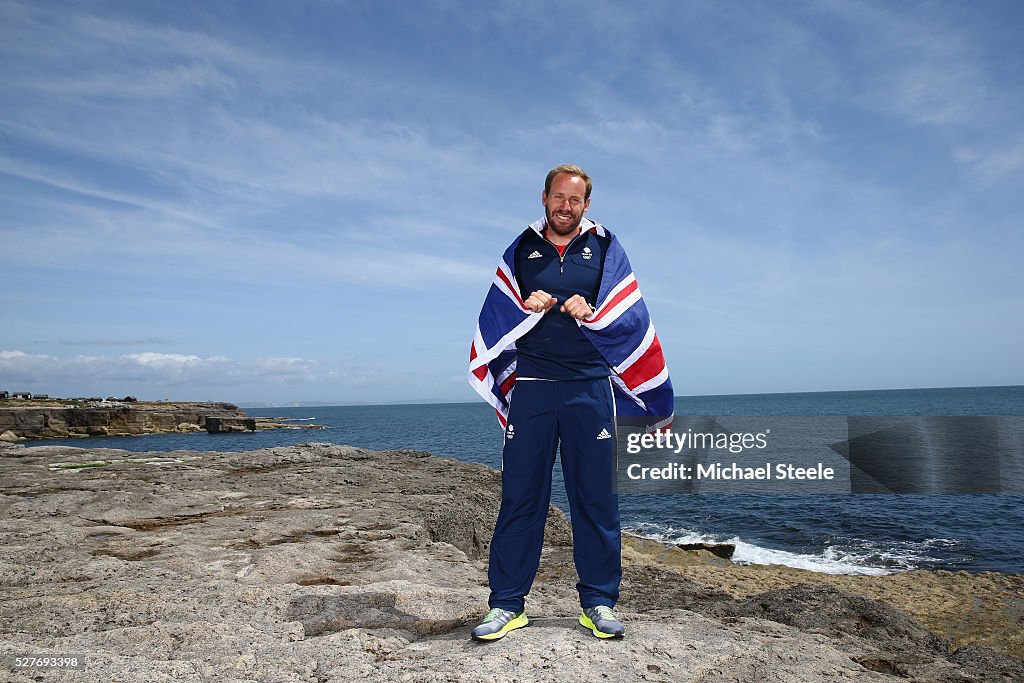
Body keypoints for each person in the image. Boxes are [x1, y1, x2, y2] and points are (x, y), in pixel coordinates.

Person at [468, 163, 674, 641]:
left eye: (574, 200)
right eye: (558, 197)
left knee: (596, 501)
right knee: (521, 498)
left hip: (589, 387)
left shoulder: (604, 248)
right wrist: (526, 306)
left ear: (586, 205)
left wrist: (592, 311)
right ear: (544, 198)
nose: (565, 206)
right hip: (534, 387)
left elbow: (631, 317)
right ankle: (506, 606)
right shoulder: (521, 250)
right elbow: (496, 315)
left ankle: (598, 603)